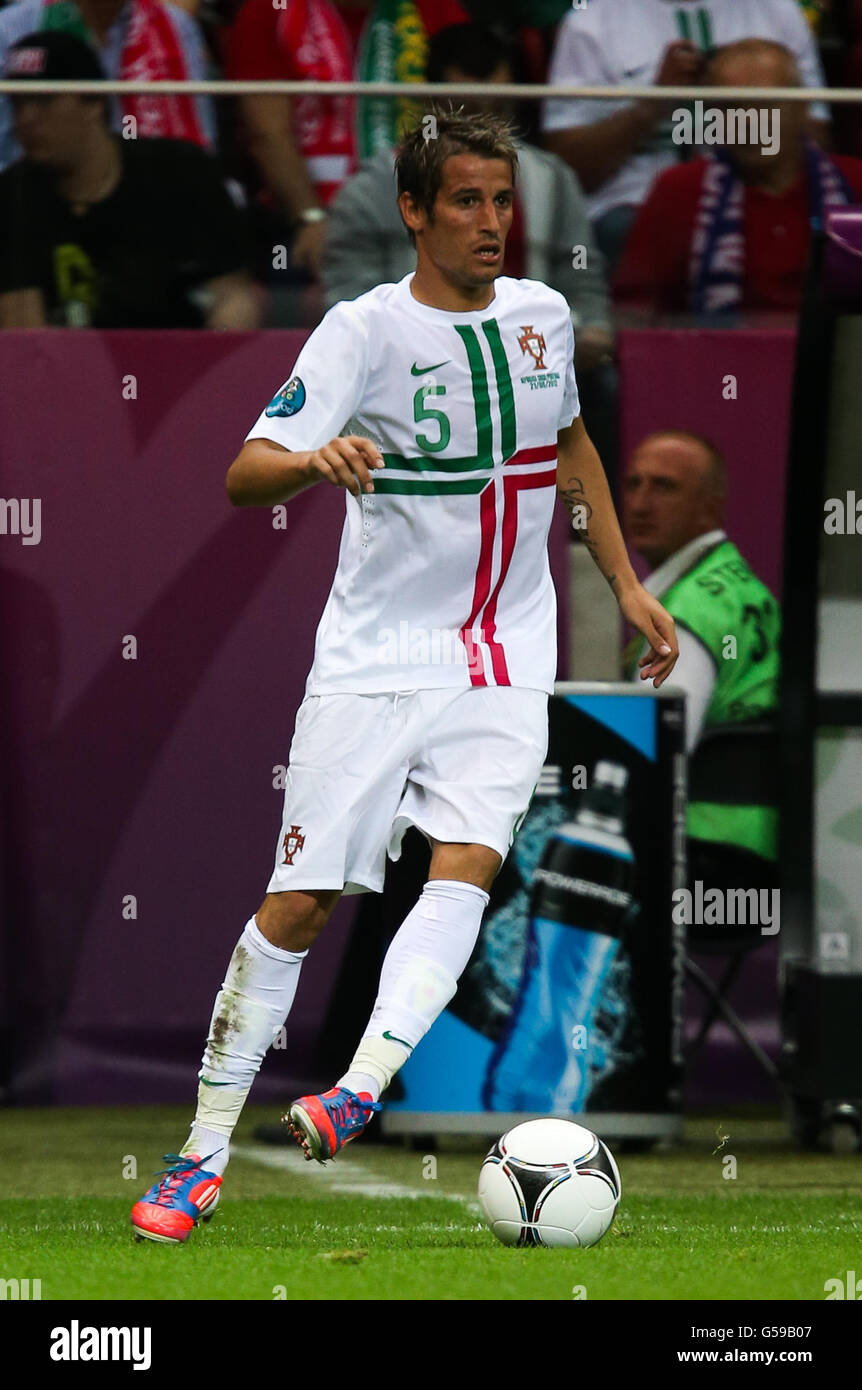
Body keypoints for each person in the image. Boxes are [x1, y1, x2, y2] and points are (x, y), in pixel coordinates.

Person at [130, 106, 678, 1243]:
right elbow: (243, 472)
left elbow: (569, 446)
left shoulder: (541, 317)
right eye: (466, 202)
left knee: (470, 865)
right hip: (378, 657)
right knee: (302, 904)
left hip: (505, 650)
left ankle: (360, 1086)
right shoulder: (360, 332)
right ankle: (199, 1153)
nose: (491, 223)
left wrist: (622, 585)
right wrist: (311, 460)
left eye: (502, 200)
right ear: (416, 214)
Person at [540, 0, 830, 272]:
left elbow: (818, 141)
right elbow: (569, 169)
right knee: (627, 229)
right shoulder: (591, 22)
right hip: (634, 204)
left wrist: (745, 103)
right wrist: (651, 107)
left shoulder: (778, 12)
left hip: (763, 195)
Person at [0, 32, 259, 328]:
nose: (26, 119)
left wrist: (216, 366)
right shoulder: (13, 195)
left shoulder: (181, 172)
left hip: (183, 365)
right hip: (68, 370)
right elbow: (23, 332)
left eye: (43, 101)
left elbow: (233, 298)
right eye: (18, 104)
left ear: (94, 103)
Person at [622, 430, 780, 909]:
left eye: (664, 487)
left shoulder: (689, 612)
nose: (640, 503)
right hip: (765, 851)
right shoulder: (744, 589)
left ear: (711, 508)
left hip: (703, 860)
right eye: (632, 484)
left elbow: (645, 757)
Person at [614, 40, 862, 317]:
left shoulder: (856, 183)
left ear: (801, 107)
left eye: (763, 105)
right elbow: (634, 314)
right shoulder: (677, 190)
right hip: (711, 357)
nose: (747, 121)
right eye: (731, 107)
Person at [0, 0, 216, 172]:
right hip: (37, 198)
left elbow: (202, 143)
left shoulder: (176, 26)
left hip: (152, 197)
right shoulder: (11, 28)